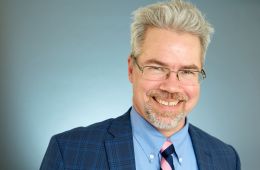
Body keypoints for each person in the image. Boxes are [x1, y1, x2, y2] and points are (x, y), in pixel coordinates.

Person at [40, 0, 241, 169]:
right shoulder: (69, 152)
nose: (171, 87)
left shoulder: (227, 159)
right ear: (131, 70)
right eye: (157, 67)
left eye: (187, 71)